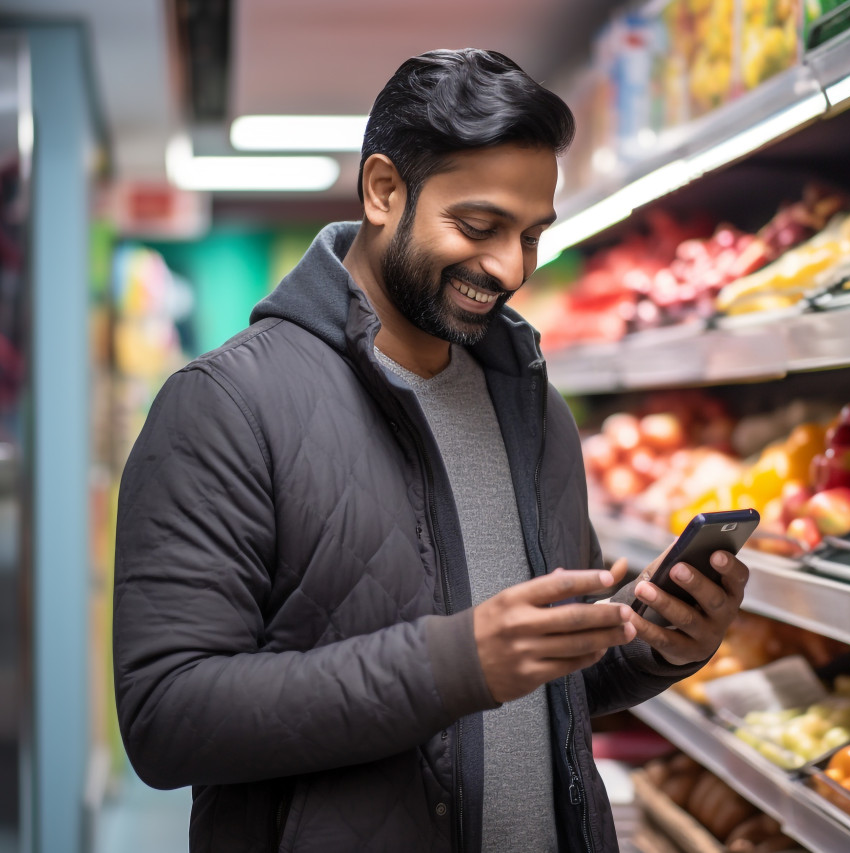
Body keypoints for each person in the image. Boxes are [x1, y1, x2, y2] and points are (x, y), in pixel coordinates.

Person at [112, 48, 751, 853]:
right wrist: (452, 663)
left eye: (532, 236)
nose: (509, 267)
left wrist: (655, 644)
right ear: (384, 190)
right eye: (478, 227)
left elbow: (547, 684)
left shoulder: (533, 408)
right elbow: (166, 715)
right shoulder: (225, 404)